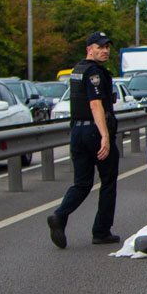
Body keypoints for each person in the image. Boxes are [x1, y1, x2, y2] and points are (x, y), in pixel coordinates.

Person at [47, 31, 121, 248]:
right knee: (108, 181)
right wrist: (105, 136)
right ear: (90, 49)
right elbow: (95, 104)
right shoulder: (94, 73)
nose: (105, 51)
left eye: (107, 47)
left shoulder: (77, 70)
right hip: (94, 132)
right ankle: (101, 231)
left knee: (82, 183)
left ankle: (60, 216)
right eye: (100, 47)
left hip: (77, 133)